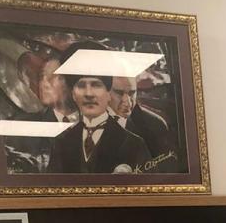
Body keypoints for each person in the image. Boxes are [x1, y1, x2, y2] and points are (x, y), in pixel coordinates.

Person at [47, 42, 151, 175]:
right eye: (81, 86)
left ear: (108, 93)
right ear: (73, 94)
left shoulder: (134, 144)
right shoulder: (62, 143)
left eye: (96, 85)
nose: (89, 94)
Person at [109, 76, 177, 168]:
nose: (128, 102)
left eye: (132, 93)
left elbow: (163, 169)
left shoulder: (155, 125)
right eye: (119, 93)